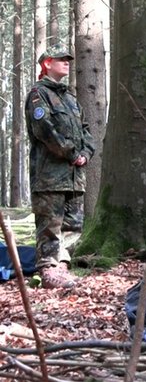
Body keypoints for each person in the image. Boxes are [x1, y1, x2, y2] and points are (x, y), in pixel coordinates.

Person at [25, 44, 95, 289]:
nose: (67, 62)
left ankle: (62, 267)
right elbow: (44, 129)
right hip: (50, 176)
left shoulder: (71, 99)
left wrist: (85, 153)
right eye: (61, 59)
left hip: (75, 176)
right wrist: (71, 153)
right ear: (47, 63)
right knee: (50, 226)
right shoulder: (38, 94)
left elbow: (86, 130)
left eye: (68, 59)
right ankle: (48, 270)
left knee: (72, 225)